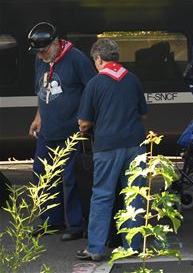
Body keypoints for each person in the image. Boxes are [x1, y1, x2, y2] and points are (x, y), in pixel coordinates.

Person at [75, 38, 148, 262]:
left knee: (102, 196)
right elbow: (143, 114)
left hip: (107, 146)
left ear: (98, 58)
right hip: (135, 144)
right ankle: (132, 245)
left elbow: (84, 123)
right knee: (134, 195)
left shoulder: (95, 84)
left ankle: (96, 248)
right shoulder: (133, 79)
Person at [27, 22, 95, 240]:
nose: (39, 57)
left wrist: (87, 119)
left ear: (55, 44)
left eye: (43, 51)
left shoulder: (77, 59)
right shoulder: (43, 60)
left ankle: (75, 225)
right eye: (37, 52)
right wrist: (38, 117)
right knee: (42, 175)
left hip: (71, 130)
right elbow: (42, 91)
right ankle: (51, 222)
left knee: (71, 178)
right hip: (47, 129)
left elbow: (93, 90)